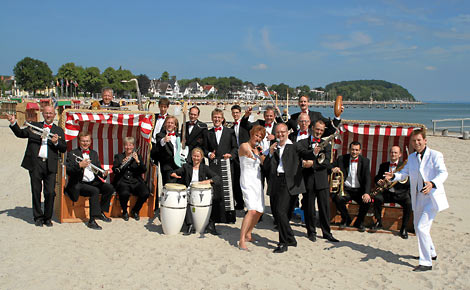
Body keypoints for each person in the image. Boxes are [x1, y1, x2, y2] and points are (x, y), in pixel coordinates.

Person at [385, 129, 448, 272]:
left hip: (432, 198)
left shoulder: (436, 155)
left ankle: (426, 263)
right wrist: (393, 176)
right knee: (419, 227)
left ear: (425, 140)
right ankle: (431, 253)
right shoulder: (412, 157)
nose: (417, 143)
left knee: (421, 228)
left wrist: (432, 183)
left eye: (419, 140)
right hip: (417, 197)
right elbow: (404, 173)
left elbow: (443, 173)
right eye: (414, 141)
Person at [7, 106, 67, 227]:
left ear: (54, 115)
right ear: (43, 114)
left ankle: (47, 217)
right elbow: (20, 134)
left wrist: (56, 142)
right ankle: (38, 217)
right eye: (46, 113)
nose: (48, 115)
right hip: (36, 163)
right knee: (36, 191)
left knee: (50, 192)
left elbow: (64, 148)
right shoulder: (34, 126)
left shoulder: (59, 130)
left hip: (50, 164)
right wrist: (13, 123)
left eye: (50, 113)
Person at [263, 123, 315, 253]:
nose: (280, 135)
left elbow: (306, 153)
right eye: (278, 132)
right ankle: (291, 238)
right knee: (278, 212)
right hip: (276, 181)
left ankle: (283, 242)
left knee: (281, 212)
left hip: (289, 182)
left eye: (283, 132)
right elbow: (266, 167)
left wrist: (314, 151)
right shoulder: (274, 147)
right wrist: (269, 154)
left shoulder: (294, 146)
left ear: (287, 132)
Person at [299, 120, 339, 242]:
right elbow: (300, 158)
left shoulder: (327, 144)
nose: (319, 132)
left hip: (322, 181)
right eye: (317, 129)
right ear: (312, 128)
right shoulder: (302, 143)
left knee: (324, 208)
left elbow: (327, 163)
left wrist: (312, 164)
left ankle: (327, 233)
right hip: (308, 180)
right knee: (309, 208)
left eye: (321, 130)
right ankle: (311, 232)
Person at [65, 132, 115, 230]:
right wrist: (79, 166)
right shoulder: (73, 153)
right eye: (83, 141)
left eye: (87, 141)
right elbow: (69, 170)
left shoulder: (93, 153)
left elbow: (97, 169)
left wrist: (103, 173)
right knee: (94, 191)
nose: (85, 143)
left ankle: (101, 212)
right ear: (79, 141)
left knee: (109, 188)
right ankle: (92, 220)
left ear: (90, 141)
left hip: (93, 181)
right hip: (79, 183)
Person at [170, 147, 221, 235]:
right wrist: (173, 174)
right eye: (194, 156)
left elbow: (217, 178)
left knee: (215, 200)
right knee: (184, 201)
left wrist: (208, 181)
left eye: (198, 156)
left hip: (200, 191)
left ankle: (210, 224)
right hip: (189, 190)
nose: (196, 158)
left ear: (201, 157)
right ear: (191, 156)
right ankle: (190, 225)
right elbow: (175, 172)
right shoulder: (186, 166)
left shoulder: (205, 168)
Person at [203, 108, 238, 233]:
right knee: (216, 192)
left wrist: (231, 155)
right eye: (215, 117)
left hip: (227, 164)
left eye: (219, 117)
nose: (217, 119)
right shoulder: (208, 133)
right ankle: (214, 219)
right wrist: (208, 155)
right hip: (214, 165)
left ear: (222, 119)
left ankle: (228, 217)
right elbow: (204, 149)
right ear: (212, 119)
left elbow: (235, 148)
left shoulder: (230, 132)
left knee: (227, 190)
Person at [371, 146, 411, 239]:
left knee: (409, 203)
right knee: (377, 198)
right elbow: (377, 177)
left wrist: (395, 180)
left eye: (395, 153)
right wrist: (378, 181)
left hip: (400, 193)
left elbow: (407, 182)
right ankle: (378, 222)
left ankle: (403, 228)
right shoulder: (383, 165)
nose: (393, 154)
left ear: (400, 154)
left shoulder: (404, 166)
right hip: (387, 192)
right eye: (392, 152)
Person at [332, 141, 372, 232]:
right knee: (337, 198)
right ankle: (346, 218)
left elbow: (367, 178)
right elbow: (331, 166)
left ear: (360, 151)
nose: (354, 152)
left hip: (359, 190)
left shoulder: (365, 161)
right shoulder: (342, 158)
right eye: (353, 149)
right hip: (346, 189)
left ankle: (359, 222)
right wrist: (333, 169)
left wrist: (366, 193)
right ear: (349, 149)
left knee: (367, 201)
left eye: (356, 150)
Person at [238, 125, 267, 250]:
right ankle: (241, 239)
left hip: (257, 181)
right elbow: (246, 152)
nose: (258, 138)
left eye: (260, 137)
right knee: (251, 210)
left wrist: (261, 153)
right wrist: (252, 153)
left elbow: (263, 162)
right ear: (251, 134)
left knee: (259, 211)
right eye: (256, 135)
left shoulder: (258, 150)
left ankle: (249, 233)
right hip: (247, 180)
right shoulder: (244, 146)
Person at [113, 137, 150, 221]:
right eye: (126, 145)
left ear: (133, 146)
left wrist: (138, 161)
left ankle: (135, 210)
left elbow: (144, 170)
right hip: (123, 181)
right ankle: (125, 211)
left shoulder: (138, 156)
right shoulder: (119, 157)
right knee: (124, 193)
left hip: (136, 182)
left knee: (145, 193)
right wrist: (122, 163)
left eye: (130, 145)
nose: (128, 147)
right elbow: (115, 170)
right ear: (124, 146)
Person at [151, 115, 181, 185]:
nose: (170, 124)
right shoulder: (160, 135)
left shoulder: (179, 136)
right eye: (168, 122)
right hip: (167, 166)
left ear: (175, 125)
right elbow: (158, 146)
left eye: (172, 123)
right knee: (168, 186)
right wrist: (163, 140)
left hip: (179, 165)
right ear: (165, 124)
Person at [231, 104, 250, 210]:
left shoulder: (244, 124)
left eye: (237, 112)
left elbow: (248, 123)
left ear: (240, 113)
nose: (235, 114)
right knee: (236, 180)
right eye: (233, 113)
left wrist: (246, 116)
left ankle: (248, 203)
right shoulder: (231, 127)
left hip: (245, 156)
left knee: (246, 180)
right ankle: (239, 202)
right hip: (236, 156)